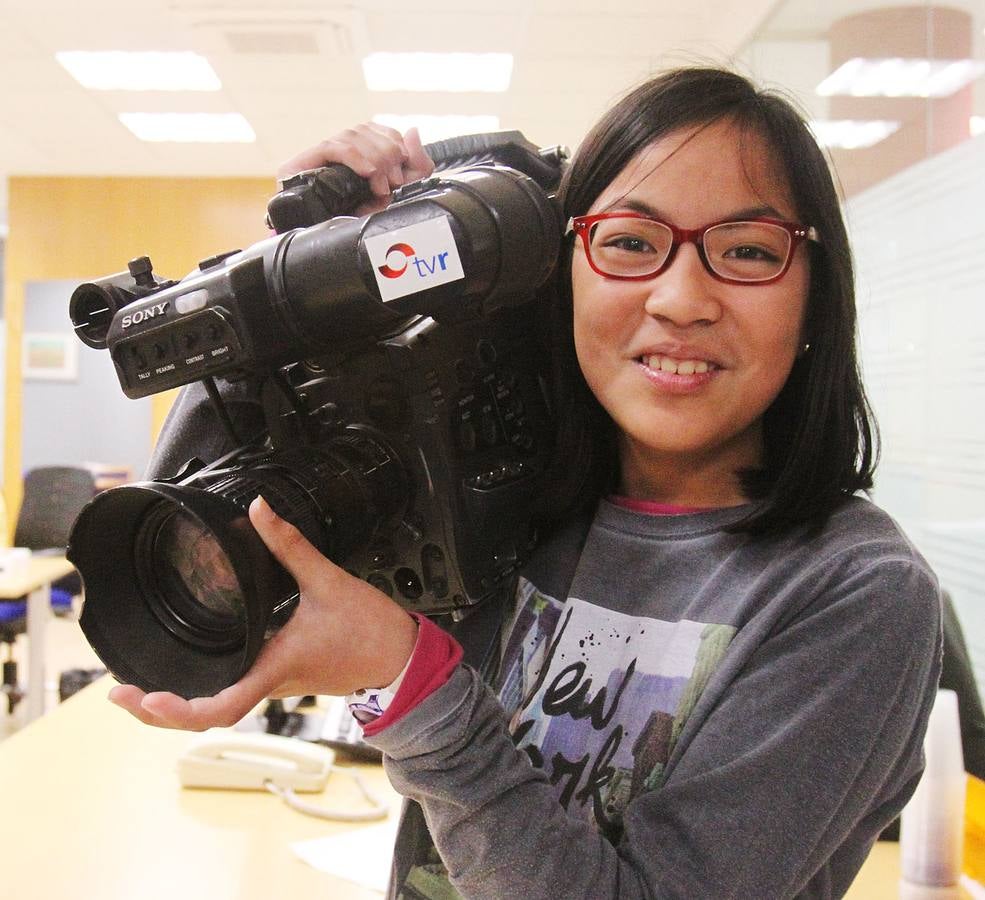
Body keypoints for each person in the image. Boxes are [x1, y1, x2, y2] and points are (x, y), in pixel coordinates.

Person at [109, 67, 942, 899]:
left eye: (748, 252)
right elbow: (203, 530)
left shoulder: (855, 593)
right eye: (628, 243)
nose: (681, 298)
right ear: (563, 273)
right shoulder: (508, 492)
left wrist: (412, 685)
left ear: (812, 298)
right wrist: (304, 293)